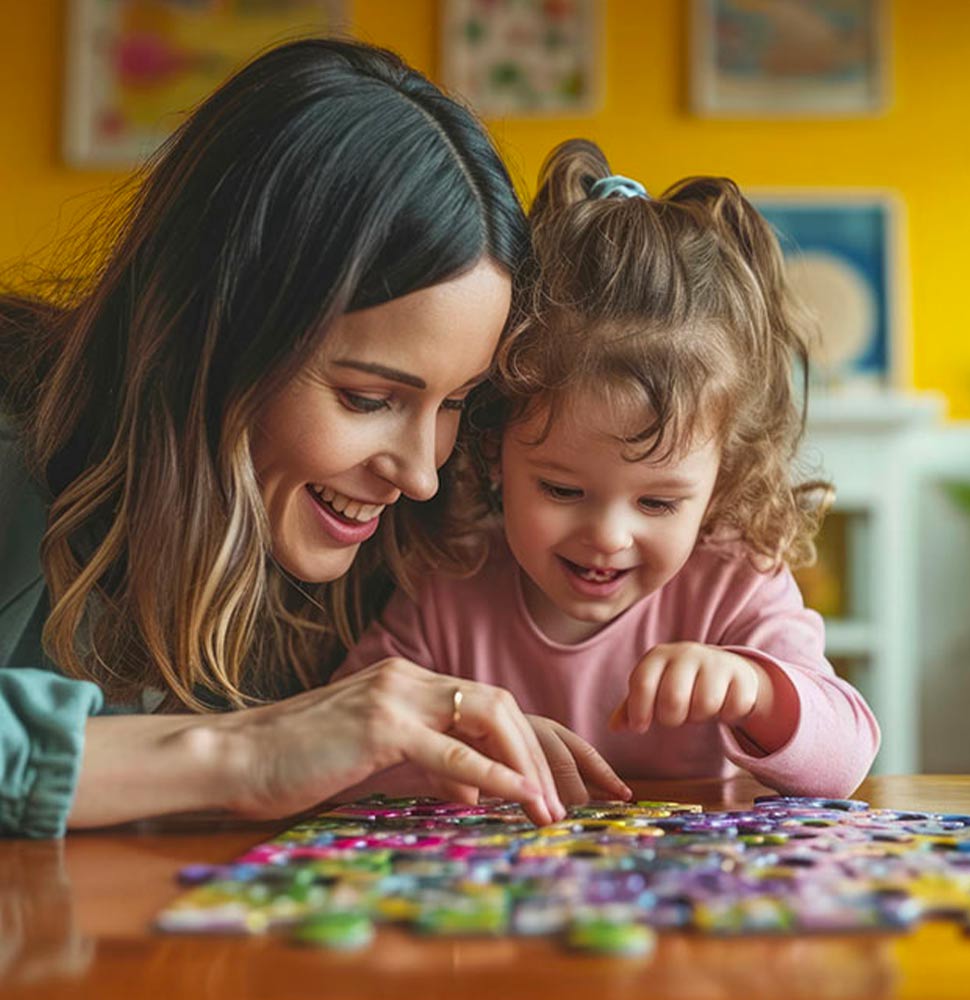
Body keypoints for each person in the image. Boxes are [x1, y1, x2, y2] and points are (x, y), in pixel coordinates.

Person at [0, 43, 629, 839]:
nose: (418, 474)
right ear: (213, 334)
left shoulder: (414, 549)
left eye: (455, 403)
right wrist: (242, 753)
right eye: (368, 398)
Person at [339, 139, 881, 800]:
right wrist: (458, 748)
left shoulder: (735, 585)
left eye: (658, 503)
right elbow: (347, 755)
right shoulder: (447, 588)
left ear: (722, 481)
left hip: (695, 898)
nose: (608, 535)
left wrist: (757, 689)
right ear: (493, 451)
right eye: (563, 489)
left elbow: (846, 759)